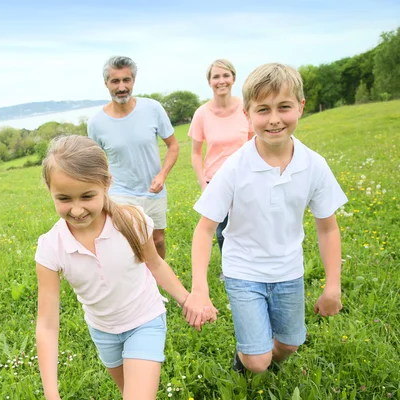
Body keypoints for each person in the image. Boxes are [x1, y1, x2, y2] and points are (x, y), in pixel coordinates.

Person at [184, 63, 348, 374]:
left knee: (289, 345)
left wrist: (333, 286)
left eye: (283, 107)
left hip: (289, 270)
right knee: (257, 361)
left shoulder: (314, 165)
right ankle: (249, 360)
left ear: (300, 107)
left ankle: (261, 357)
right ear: (247, 115)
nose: (274, 119)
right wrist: (199, 288)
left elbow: (328, 228)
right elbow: (205, 230)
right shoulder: (234, 167)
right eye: (263, 110)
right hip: (243, 269)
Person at [35, 135, 201, 399]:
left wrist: (187, 300)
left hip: (144, 320)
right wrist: (51, 393)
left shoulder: (132, 221)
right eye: (64, 198)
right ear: (50, 191)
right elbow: (47, 324)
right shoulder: (50, 248)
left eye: (87, 196)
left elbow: (155, 264)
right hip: (103, 331)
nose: (77, 210)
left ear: (106, 184)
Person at [88, 55, 180, 259]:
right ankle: (136, 285)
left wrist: (162, 175)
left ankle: (156, 283)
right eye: (115, 81)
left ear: (133, 81)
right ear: (106, 84)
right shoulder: (96, 123)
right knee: (129, 244)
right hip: (120, 193)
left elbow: (173, 146)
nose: (122, 87)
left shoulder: (152, 108)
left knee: (158, 241)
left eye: (126, 80)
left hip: (154, 190)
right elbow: (94, 163)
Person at [188, 59, 254, 258]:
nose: (221, 81)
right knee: (221, 228)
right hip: (215, 180)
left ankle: (251, 259)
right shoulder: (201, 114)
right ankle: (229, 266)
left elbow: (254, 143)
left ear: (233, 78)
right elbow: (195, 153)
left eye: (226, 75)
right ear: (209, 82)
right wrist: (203, 183)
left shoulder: (246, 107)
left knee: (250, 222)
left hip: (246, 176)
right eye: (215, 76)